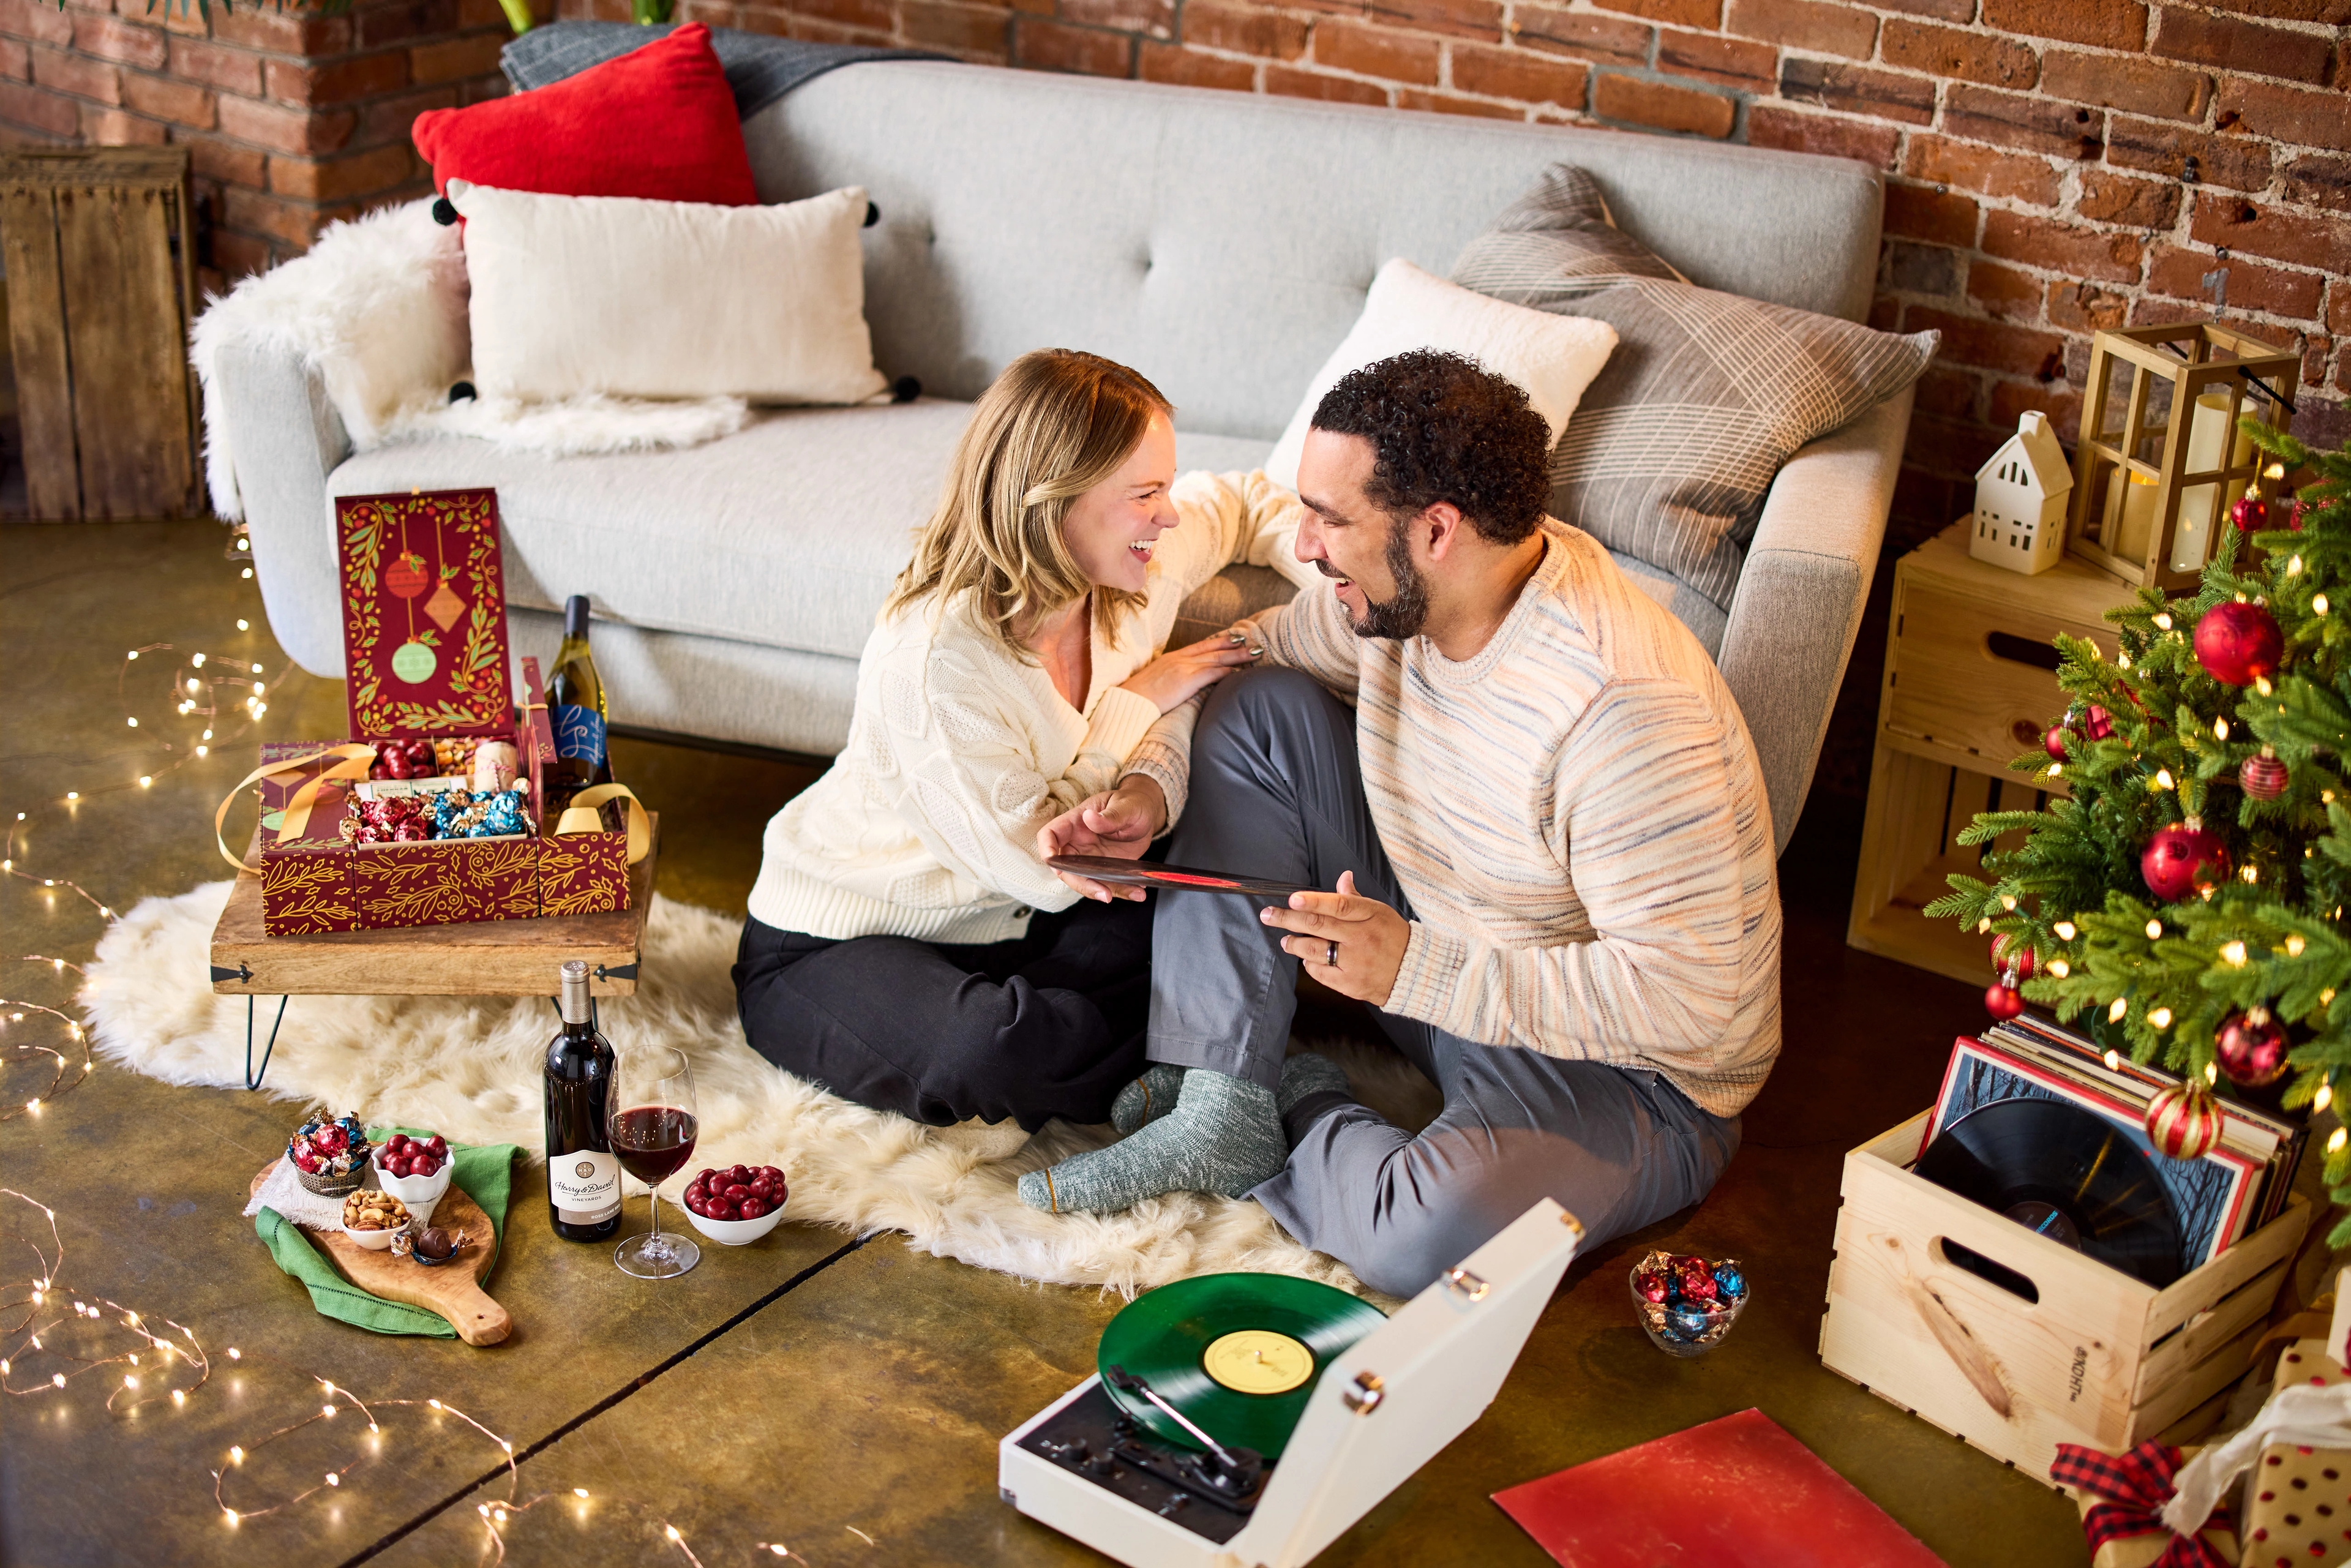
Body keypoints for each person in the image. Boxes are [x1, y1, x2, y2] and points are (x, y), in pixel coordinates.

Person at [1024, 350, 1781, 1296]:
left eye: (1331, 519)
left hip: (1628, 1067)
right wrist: (1150, 788)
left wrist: (1419, 968)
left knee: (1430, 1240)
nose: (1302, 544)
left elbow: (1687, 1001)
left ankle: (1286, 1099)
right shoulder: (1387, 601)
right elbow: (1238, 653)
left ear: (1436, 530)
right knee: (1255, 709)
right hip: (1448, 930)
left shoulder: (1621, 709)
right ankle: (1220, 1092)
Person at [733, 348, 1316, 1131]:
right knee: (996, 1048)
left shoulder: (1131, 563)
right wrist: (1138, 700)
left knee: (1197, 907)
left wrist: (1329, 579)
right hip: (846, 933)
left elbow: (1246, 502)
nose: (1169, 514)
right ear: (1055, 501)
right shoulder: (937, 659)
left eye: (1166, 487)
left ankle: (1188, 1066)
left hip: (1009, 921)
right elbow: (1048, 867)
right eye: (1146, 493)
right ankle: (1200, 1065)